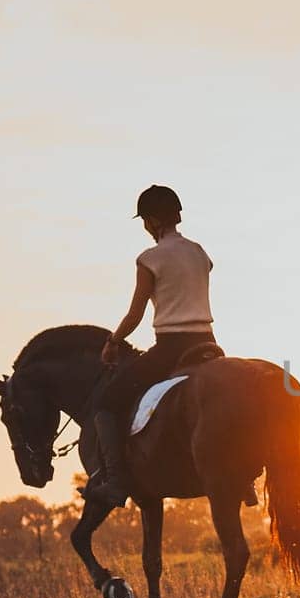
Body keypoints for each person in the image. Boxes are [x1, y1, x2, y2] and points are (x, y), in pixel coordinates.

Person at [84, 184, 216, 506]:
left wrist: (113, 342)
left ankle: (115, 483)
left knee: (106, 402)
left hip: (171, 346)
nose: (145, 227)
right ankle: (245, 482)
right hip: (208, 344)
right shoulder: (200, 253)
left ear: (153, 221)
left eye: (145, 220)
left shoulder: (149, 259)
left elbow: (135, 315)